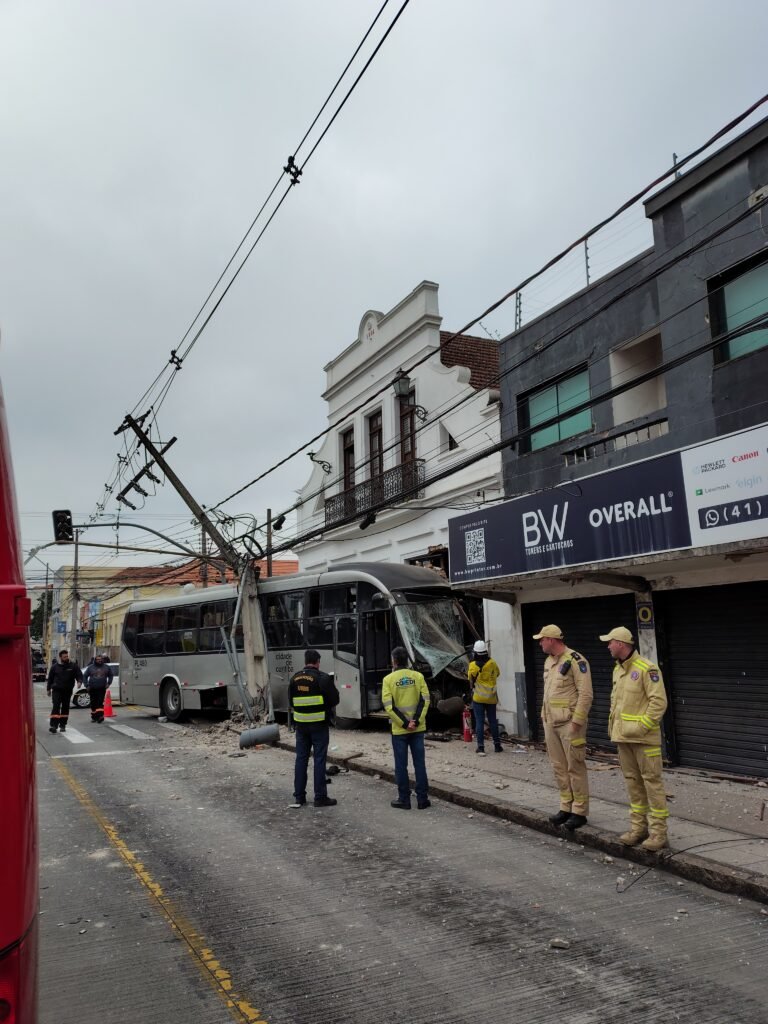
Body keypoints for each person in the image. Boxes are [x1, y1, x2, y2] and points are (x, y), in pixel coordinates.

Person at [599, 626, 670, 851]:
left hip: (643, 740)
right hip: (623, 738)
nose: (608, 646)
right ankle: (638, 829)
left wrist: (642, 728)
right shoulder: (618, 670)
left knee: (652, 785)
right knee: (633, 784)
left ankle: (658, 833)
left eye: (610, 642)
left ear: (621, 643)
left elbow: (659, 703)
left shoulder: (647, 669)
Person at [533, 624, 593, 831]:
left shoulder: (576, 660)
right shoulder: (549, 662)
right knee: (558, 767)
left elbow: (586, 694)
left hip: (570, 724)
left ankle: (580, 811)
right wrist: (544, 719)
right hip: (551, 723)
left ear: (552, 639)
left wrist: (577, 721)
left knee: (575, 767)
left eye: (542, 639)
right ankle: (565, 806)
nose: (540, 642)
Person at [288, 649, 340, 808]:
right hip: (319, 726)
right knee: (319, 760)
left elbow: (291, 702)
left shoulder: (294, 678)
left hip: (301, 727)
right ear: (317, 662)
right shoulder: (322, 678)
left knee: (301, 759)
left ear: (305, 661)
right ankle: (320, 797)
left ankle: (299, 797)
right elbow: (335, 699)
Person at [382, 646, 431, 810]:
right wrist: (415, 721)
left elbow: (389, 706)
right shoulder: (418, 676)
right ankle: (423, 800)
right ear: (407, 660)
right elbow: (425, 700)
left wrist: (404, 723)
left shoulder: (388, 680)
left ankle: (404, 799)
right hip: (417, 729)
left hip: (400, 730)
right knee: (420, 764)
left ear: (394, 661)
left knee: (401, 766)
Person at [468, 640, 503, 755]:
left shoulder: (473, 665)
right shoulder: (492, 663)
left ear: (475, 653)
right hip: (491, 698)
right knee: (493, 721)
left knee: (479, 721)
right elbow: (497, 674)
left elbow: (470, 680)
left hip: (478, 698)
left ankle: (481, 747)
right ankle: (497, 746)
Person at [46, 649, 83, 734]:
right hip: (56, 690)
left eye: (67, 656)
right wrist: (48, 689)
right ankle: (54, 726)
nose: (66, 658)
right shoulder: (55, 667)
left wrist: (79, 682)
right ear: (60, 657)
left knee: (65, 707)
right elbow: (50, 679)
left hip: (67, 690)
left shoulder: (73, 666)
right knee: (56, 706)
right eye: (64, 657)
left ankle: (63, 725)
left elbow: (79, 675)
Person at [83, 654, 113, 724]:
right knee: (93, 703)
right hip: (92, 688)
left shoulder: (106, 667)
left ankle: (100, 716)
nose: (100, 661)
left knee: (100, 702)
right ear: (95, 660)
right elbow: (85, 676)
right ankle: (94, 717)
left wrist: (109, 683)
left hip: (102, 688)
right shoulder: (90, 667)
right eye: (98, 659)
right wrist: (86, 685)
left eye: (101, 659)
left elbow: (111, 675)